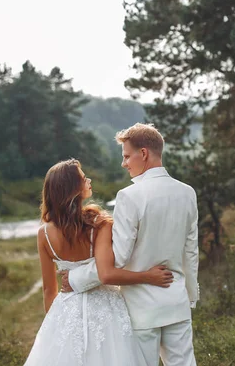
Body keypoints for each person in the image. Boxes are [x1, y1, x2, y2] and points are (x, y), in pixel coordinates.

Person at [62, 123, 199, 366]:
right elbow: (190, 252)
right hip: (177, 301)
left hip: (141, 307)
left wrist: (76, 278)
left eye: (126, 156)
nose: (124, 164)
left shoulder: (129, 196)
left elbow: (119, 257)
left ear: (143, 153)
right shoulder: (187, 192)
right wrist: (190, 296)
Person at [23, 158, 173, 366]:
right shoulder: (98, 225)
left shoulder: (44, 234)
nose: (89, 180)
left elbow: (49, 290)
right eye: (84, 179)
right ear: (73, 189)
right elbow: (107, 273)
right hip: (106, 308)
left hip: (66, 309)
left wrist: (58, 324)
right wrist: (148, 276)